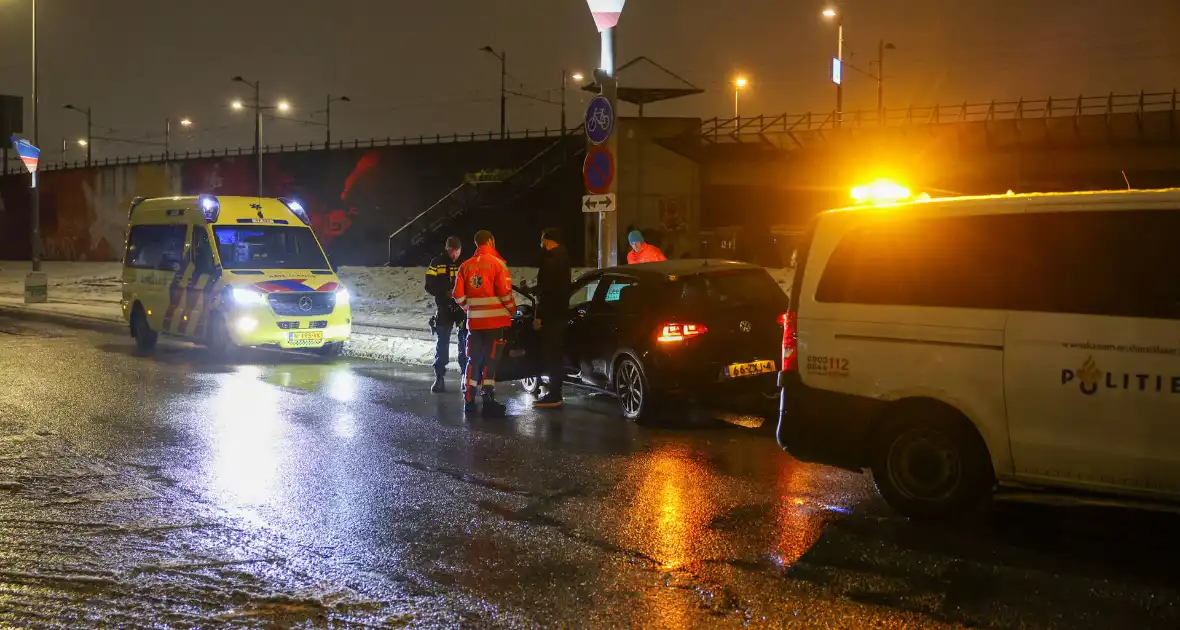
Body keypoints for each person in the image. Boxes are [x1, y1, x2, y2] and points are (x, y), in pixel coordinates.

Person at [452, 230, 516, 417]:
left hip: (475, 324)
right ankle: (488, 399)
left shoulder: (466, 266)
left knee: (473, 360)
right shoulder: (498, 264)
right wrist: (512, 310)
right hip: (495, 324)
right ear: (490, 241)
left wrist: (469, 308)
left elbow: (457, 295)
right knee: (490, 362)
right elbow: (505, 294)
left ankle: (469, 400)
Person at [532, 227, 572, 408]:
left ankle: (555, 394)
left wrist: (539, 315)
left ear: (546, 240)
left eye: (542, 241)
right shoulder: (564, 257)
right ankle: (555, 389)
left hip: (550, 315)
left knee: (551, 353)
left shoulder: (550, 260)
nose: (541, 244)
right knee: (555, 352)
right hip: (561, 311)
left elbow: (546, 291)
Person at [425, 236, 467, 393]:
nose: (454, 255)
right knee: (442, 342)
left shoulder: (465, 263)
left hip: (462, 309)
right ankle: (439, 377)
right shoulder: (437, 263)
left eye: (457, 252)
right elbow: (429, 284)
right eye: (451, 251)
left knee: (464, 342)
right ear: (447, 249)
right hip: (444, 308)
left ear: (460, 250)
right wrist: (444, 291)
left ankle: (465, 376)